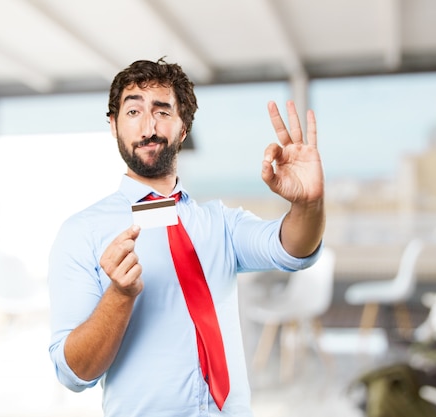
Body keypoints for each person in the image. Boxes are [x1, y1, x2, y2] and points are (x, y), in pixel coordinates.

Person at [48, 58, 325, 417]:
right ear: (114, 125)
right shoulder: (80, 232)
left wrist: (308, 203)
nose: (148, 126)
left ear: (183, 130)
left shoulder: (221, 223)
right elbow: (74, 373)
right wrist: (119, 295)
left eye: (163, 112)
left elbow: (293, 248)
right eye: (133, 111)